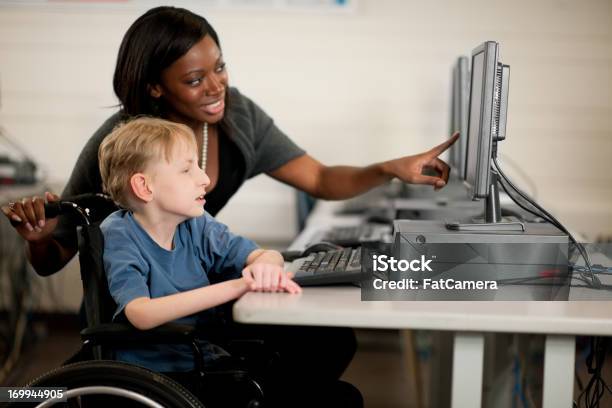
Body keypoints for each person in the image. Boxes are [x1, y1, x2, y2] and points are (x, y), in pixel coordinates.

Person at [0, 5, 455, 399]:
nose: (217, 87)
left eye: (220, 67)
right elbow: (58, 252)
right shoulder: (125, 146)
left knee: (328, 342)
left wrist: (388, 168)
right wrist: (39, 240)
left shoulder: (237, 118)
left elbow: (316, 176)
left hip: (198, 289)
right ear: (157, 87)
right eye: (195, 80)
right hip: (149, 311)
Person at [97, 117, 323, 406]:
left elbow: (264, 255)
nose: (204, 179)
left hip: (205, 354)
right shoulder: (121, 234)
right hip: (163, 377)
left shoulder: (195, 223)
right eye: (187, 169)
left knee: (326, 349)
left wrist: (265, 265)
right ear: (144, 186)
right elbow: (141, 314)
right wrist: (238, 286)